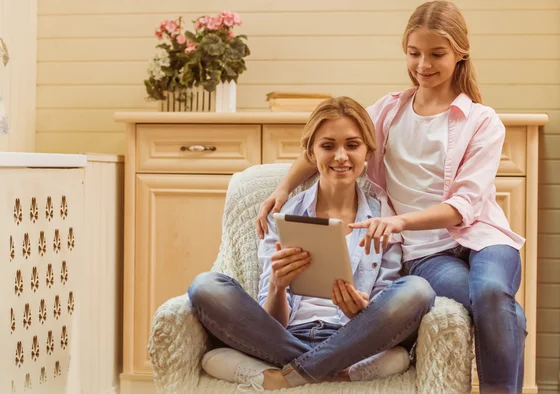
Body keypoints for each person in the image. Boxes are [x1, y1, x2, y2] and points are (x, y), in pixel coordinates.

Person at [255, 2, 526, 393]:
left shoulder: (483, 121)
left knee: (491, 292)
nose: (423, 65)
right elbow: (326, 139)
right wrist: (282, 189)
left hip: (483, 238)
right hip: (426, 253)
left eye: (436, 54)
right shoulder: (388, 112)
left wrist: (398, 221)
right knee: (498, 306)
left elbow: (464, 207)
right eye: (414, 53)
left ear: (460, 54)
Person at [188, 97, 435, 391]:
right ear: (311, 152)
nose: (341, 156)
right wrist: (279, 286)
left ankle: (285, 375)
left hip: (351, 337)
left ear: (367, 151)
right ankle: (333, 369)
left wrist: (361, 313)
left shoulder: (384, 218)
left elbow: (381, 322)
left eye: (352, 145)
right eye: (328, 146)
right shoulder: (284, 217)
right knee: (206, 286)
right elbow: (272, 321)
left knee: (418, 290)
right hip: (285, 337)